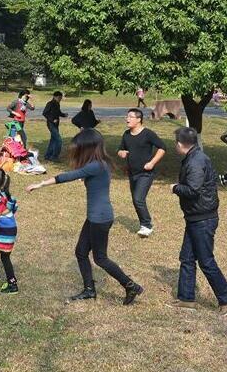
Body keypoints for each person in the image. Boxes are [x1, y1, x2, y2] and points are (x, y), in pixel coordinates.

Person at [26, 129, 144, 305]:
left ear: (89, 148)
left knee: (100, 258)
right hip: (95, 217)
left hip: (100, 218)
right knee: (81, 252)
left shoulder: (95, 166)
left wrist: (40, 183)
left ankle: (131, 285)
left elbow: (67, 176)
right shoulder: (100, 163)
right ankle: (89, 289)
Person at [167, 127, 227, 316]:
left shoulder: (196, 162)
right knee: (187, 258)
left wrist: (175, 188)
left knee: (206, 261)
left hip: (202, 219)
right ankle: (186, 299)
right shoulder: (195, 157)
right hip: (195, 217)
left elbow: (193, 190)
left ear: (180, 144)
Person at [117, 108, 166, 238]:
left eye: (130, 117)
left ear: (139, 119)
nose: (127, 119)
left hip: (145, 173)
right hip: (132, 173)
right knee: (135, 199)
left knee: (138, 199)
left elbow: (162, 148)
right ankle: (144, 225)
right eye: (127, 116)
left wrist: (152, 163)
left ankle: (147, 225)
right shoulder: (126, 134)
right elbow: (121, 149)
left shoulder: (148, 134)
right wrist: (121, 153)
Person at [42, 91, 67, 161]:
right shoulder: (50, 103)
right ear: (55, 97)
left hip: (56, 125)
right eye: (59, 98)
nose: (60, 99)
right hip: (51, 124)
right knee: (59, 140)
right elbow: (44, 113)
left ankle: (47, 156)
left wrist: (63, 115)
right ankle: (54, 157)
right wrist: (52, 120)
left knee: (53, 140)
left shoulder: (57, 104)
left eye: (61, 98)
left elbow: (58, 112)